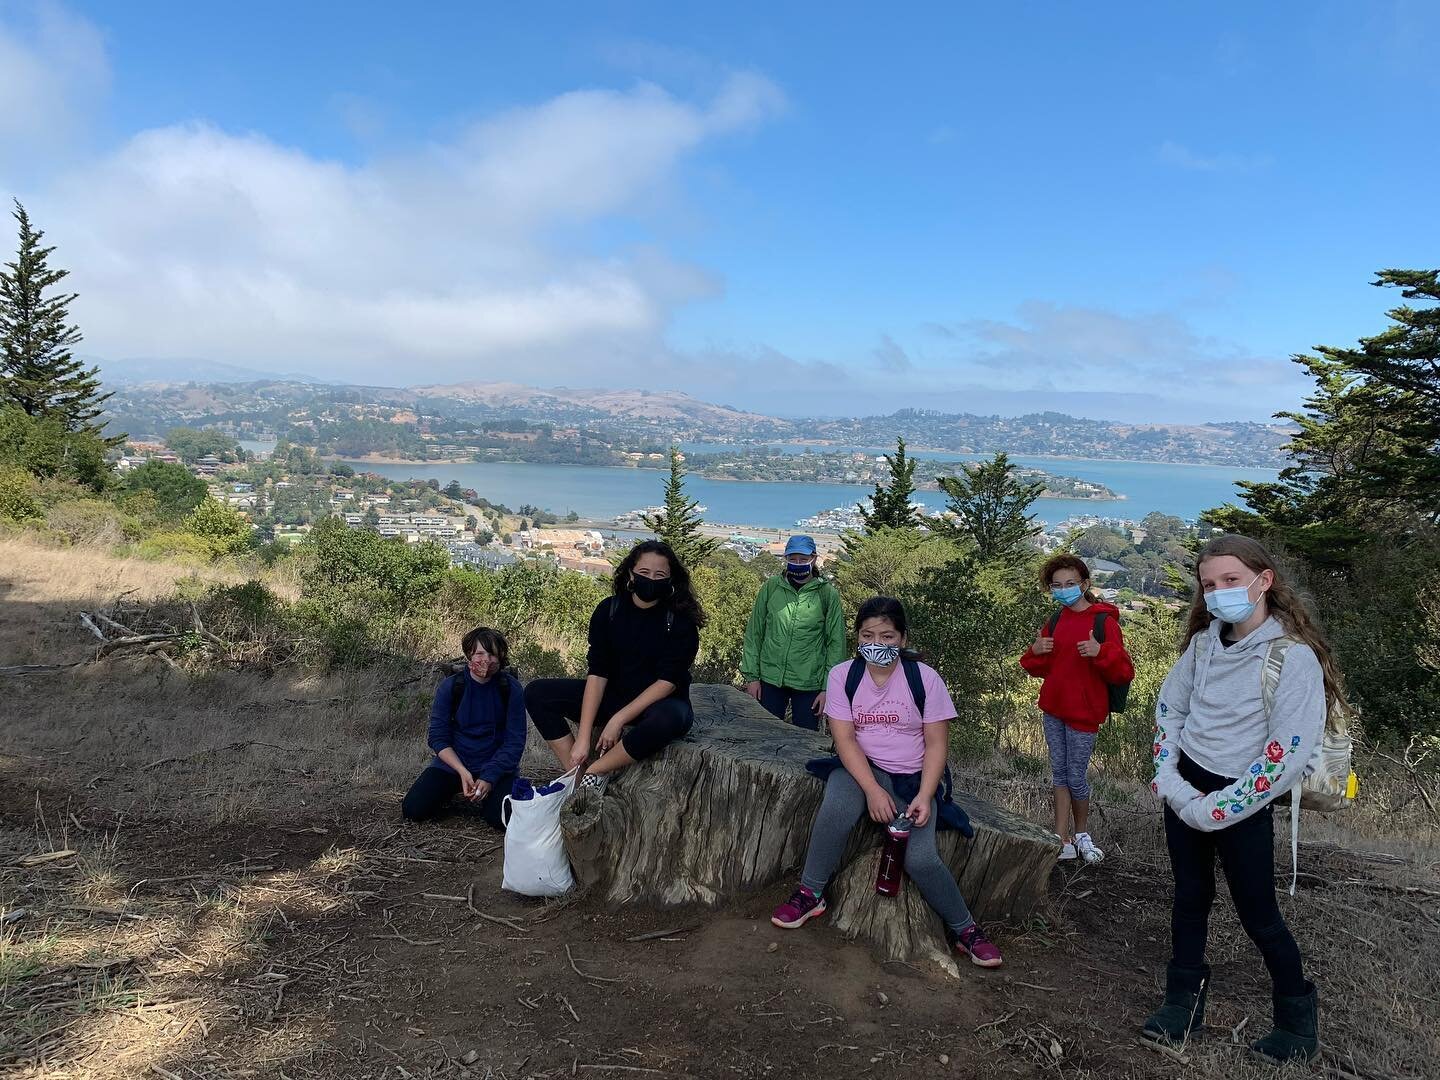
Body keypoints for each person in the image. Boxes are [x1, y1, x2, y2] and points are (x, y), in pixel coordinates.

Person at [1145, 535, 1338, 1066]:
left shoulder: (1291, 658)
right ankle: (1182, 1004)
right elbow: (1170, 708)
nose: (1219, 593)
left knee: (1258, 912)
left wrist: (1217, 810)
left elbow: (1285, 755)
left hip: (1243, 802)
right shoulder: (1205, 642)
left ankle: (1297, 1017)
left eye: (1231, 580)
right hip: (1187, 787)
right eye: (1209, 584)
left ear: (1263, 580)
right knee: (1189, 898)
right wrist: (1170, 779)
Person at [771, 596, 1004, 968]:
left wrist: (927, 796)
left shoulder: (924, 679)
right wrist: (872, 790)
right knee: (835, 809)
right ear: (857, 638)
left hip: (913, 778)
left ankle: (966, 930)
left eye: (887, 636)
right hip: (861, 768)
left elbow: (936, 744)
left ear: (903, 638)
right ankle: (810, 892)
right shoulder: (843, 676)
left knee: (921, 858)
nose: (876, 644)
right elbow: (844, 740)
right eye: (867, 635)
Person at [524, 540, 704, 794]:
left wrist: (619, 719)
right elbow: (598, 672)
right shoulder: (609, 610)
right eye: (644, 573)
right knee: (537, 693)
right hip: (614, 695)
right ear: (630, 573)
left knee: (669, 719)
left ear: (671, 579)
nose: (651, 579)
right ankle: (575, 776)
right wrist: (584, 737)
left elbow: (668, 681)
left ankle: (597, 771)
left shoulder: (680, 621)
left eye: (659, 575)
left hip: (659, 703)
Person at [1020, 553, 1134, 863]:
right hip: (1054, 708)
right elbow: (1039, 667)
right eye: (1057, 585)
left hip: (1084, 712)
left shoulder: (1103, 622)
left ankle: (1082, 832)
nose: (1063, 589)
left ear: (1084, 584)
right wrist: (1035, 651)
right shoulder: (1055, 620)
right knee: (1059, 774)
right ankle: (1061, 838)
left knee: (1076, 776)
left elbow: (1123, 673)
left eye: (1070, 583)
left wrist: (1100, 652)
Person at [401, 626, 526, 828]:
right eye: (480, 653)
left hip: (497, 766)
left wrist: (489, 776)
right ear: (469, 655)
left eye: (493, 654)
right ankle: (455, 790)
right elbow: (437, 737)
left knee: (500, 819)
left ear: (501, 657)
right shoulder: (451, 686)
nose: (486, 660)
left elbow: (515, 742)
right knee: (413, 810)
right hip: (454, 765)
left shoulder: (511, 688)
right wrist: (461, 770)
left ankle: (489, 793)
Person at [740, 534, 848, 729]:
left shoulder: (826, 594)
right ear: (786, 559)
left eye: (803, 559)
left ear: (814, 558)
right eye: (792, 558)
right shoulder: (772, 587)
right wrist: (752, 677)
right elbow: (754, 633)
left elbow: (836, 643)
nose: (797, 563)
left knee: (805, 741)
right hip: (770, 677)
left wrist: (827, 689)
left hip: (809, 682)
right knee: (764, 736)